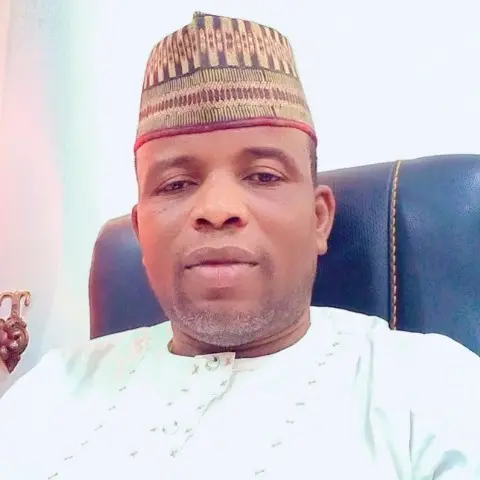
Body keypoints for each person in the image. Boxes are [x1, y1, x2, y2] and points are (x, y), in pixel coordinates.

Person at [1, 12, 479, 480]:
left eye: (264, 176)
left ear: (318, 219)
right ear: (141, 232)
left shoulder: (434, 391)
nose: (217, 209)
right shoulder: (53, 387)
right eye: (175, 184)